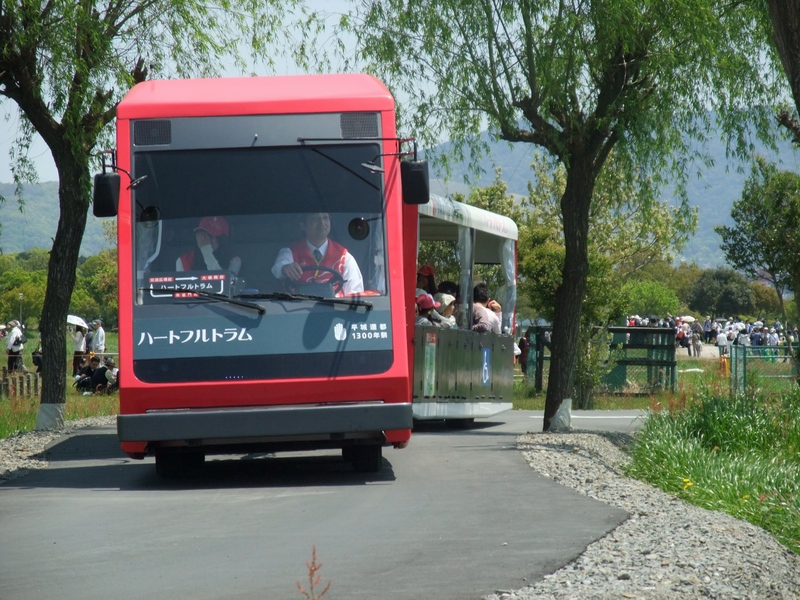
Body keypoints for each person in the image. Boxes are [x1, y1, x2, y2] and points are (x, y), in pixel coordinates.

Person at [271, 212, 364, 297]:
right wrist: (285, 268)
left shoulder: (344, 257)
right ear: (303, 225)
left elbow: (355, 294)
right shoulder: (290, 252)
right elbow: (277, 268)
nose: (322, 223)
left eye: (325, 218)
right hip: (296, 312)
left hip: (334, 312)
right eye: (315, 219)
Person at [176, 216, 241, 275]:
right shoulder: (184, 261)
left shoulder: (234, 260)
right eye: (202, 235)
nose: (204, 239)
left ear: (221, 240)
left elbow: (224, 283)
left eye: (209, 235)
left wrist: (206, 251)